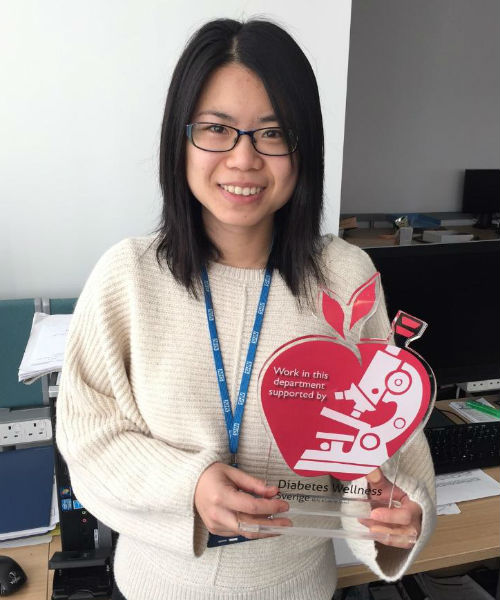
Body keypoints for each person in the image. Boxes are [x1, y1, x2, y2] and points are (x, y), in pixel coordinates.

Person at [56, 18, 436, 600]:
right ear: (179, 140)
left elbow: (386, 438)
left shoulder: (344, 278)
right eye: (216, 128)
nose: (243, 159)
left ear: (302, 146)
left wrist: (396, 511)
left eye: (273, 133)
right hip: (155, 585)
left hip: (297, 586)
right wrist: (191, 483)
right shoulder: (128, 278)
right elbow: (90, 438)